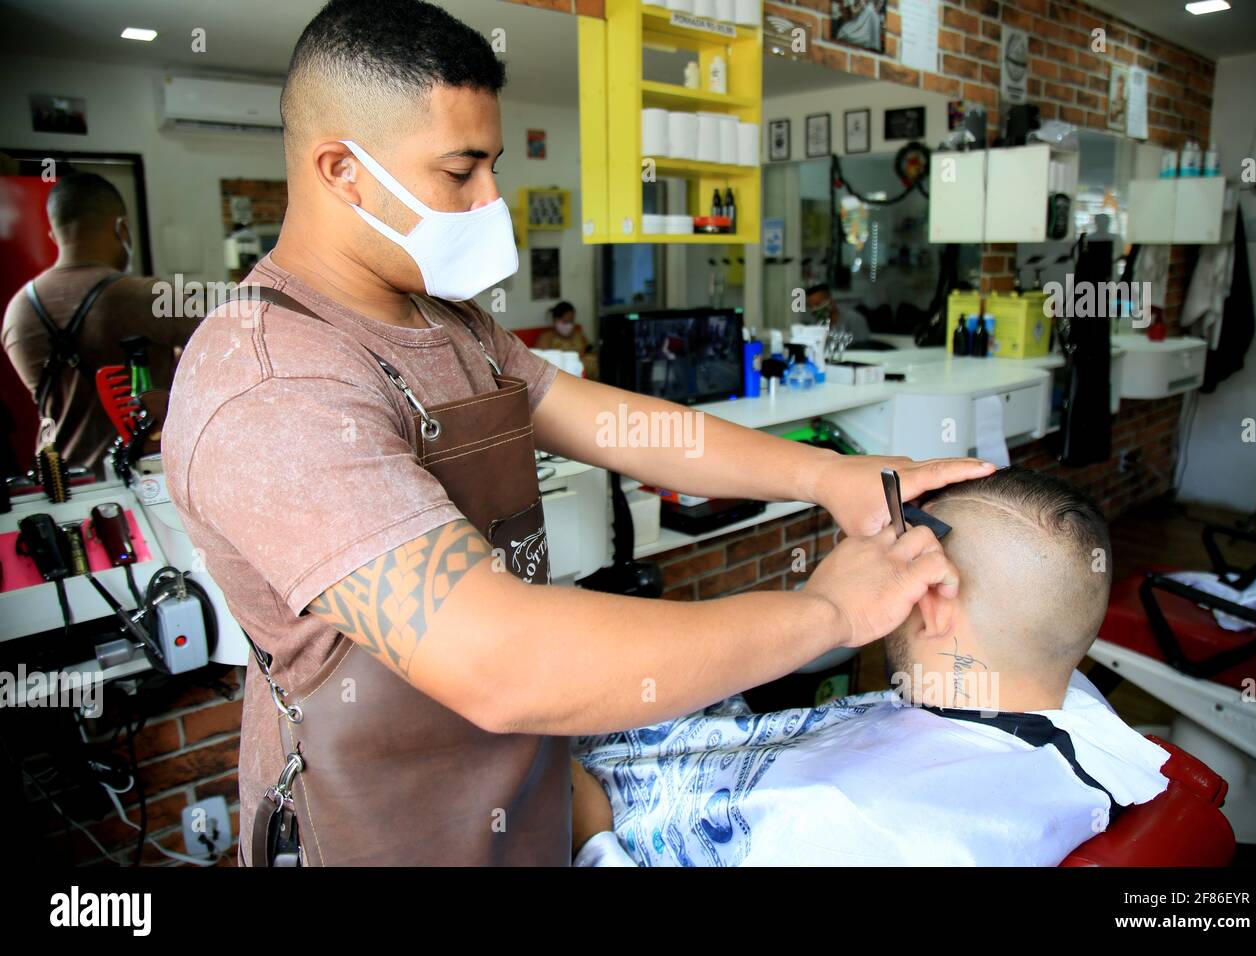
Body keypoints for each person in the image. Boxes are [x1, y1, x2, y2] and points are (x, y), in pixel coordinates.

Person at [162, 0, 991, 867]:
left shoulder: (450, 324)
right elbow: (500, 660)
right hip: (386, 829)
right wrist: (826, 612)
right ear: (342, 169)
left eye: (494, 165)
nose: (492, 200)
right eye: (461, 171)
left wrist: (826, 476)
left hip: (520, 789)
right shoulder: (273, 386)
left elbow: (618, 423)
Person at [571, 468, 1171, 866]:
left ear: (933, 597)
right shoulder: (1067, 697)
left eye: (898, 553)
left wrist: (589, 833)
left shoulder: (852, 825)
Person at [2, 172, 199, 470]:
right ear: (122, 228)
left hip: (60, 479)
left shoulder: (17, 310)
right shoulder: (150, 296)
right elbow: (227, 353)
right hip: (142, 475)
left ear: (54, 236)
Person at [534, 300, 596, 377]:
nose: (567, 324)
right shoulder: (546, 337)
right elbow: (541, 363)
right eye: (564, 321)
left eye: (570, 321)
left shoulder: (578, 335)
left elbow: (590, 351)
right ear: (555, 320)